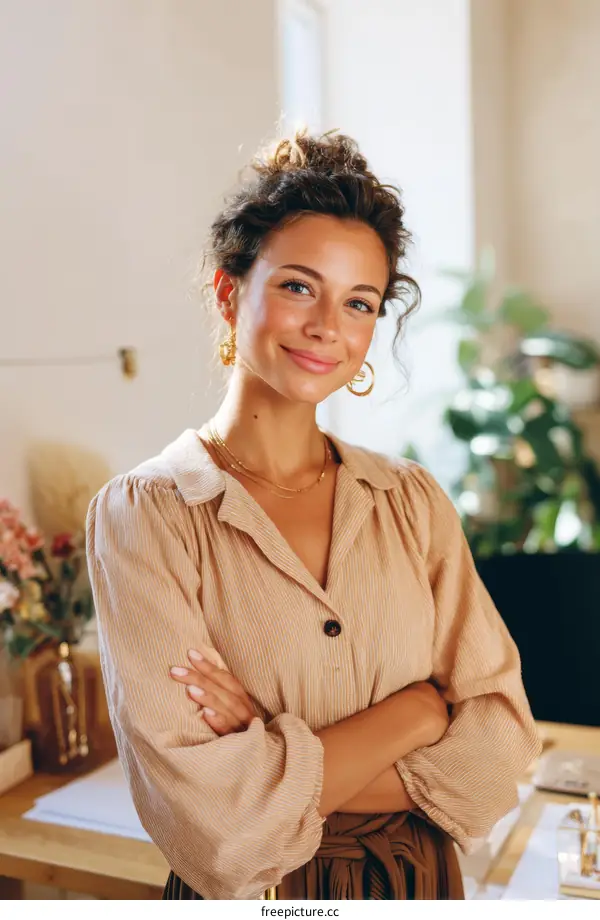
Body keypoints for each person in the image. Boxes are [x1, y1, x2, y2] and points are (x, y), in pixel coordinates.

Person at [86, 131, 541, 901]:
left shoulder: (412, 503)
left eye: (359, 302)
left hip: (418, 884)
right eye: (300, 286)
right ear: (231, 293)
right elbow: (212, 823)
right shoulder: (146, 517)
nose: (329, 324)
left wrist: (265, 741)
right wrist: (418, 711)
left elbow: (499, 756)